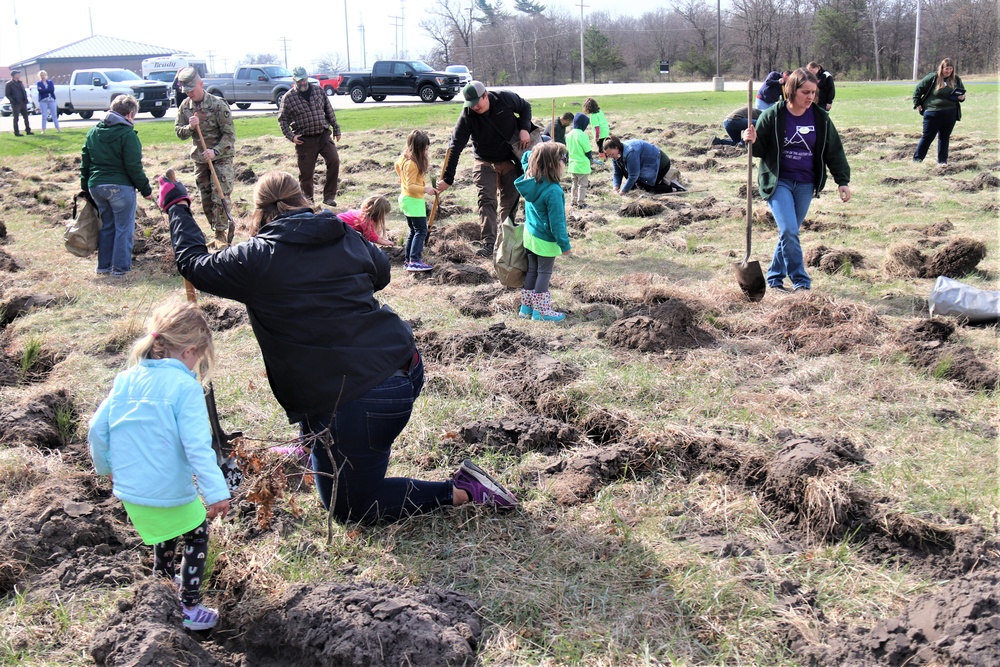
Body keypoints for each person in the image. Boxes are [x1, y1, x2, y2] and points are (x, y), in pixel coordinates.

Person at [161, 170, 518, 524]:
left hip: (362, 399)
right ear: (302, 199)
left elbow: (193, 263)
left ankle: (462, 490)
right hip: (404, 364)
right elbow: (381, 273)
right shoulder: (341, 231)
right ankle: (313, 447)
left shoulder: (257, 258)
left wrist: (178, 205)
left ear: (259, 212)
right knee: (324, 389)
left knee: (350, 508)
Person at [88, 301, 231, 631]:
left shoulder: (125, 379)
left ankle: (161, 594)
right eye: (199, 358)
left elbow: (97, 429)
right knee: (197, 534)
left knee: (166, 536)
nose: (197, 366)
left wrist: (105, 467)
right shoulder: (185, 388)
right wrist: (216, 492)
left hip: (131, 491)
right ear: (188, 351)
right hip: (168, 490)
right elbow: (198, 448)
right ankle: (189, 608)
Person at [743, 68, 851, 293]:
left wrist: (842, 180)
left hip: (805, 182)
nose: (811, 97)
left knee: (788, 233)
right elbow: (759, 148)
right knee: (790, 230)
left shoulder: (820, 118)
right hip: (778, 181)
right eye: (805, 92)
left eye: (813, 92)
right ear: (791, 90)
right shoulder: (773, 115)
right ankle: (801, 282)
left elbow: (834, 150)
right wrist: (750, 140)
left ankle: (774, 279)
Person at [438, 80, 534, 256]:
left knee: (510, 202)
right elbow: (455, 145)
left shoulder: (505, 99)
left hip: (510, 160)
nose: (474, 107)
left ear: (485, 96)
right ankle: (489, 243)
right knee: (487, 199)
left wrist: (524, 129)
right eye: (470, 104)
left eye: (477, 103)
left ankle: (506, 241)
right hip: (484, 161)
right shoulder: (467, 114)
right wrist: (447, 179)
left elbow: (525, 107)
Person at [81, 94, 155, 276]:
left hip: (96, 187)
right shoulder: (127, 135)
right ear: (130, 114)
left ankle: (104, 267)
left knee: (107, 226)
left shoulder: (92, 132)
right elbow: (133, 166)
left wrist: (85, 187)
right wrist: (146, 190)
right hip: (120, 188)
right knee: (124, 228)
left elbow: (85, 162)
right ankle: (121, 269)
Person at [174, 67, 236, 246]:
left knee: (220, 194)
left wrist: (215, 150)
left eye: (192, 89)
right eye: (186, 91)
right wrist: (190, 128)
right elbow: (179, 132)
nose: (190, 93)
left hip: (221, 156)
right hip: (201, 158)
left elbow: (229, 135)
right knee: (206, 197)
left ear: (201, 84)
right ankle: (215, 230)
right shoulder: (185, 107)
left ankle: (221, 232)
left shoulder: (217, 105)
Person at [515, 142, 571, 322]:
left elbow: (526, 157)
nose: (566, 162)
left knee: (532, 271)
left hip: (530, 235)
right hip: (545, 239)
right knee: (544, 273)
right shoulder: (553, 190)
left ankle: (526, 308)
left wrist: (541, 150)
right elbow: (557, 223)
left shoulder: (531, 180)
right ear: (553, 164)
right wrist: (565, 245)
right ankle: (541, 312)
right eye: (563, 159)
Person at [278, 67, 342, 207]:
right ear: (294, 80)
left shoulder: (318, 91)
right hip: (305, 140)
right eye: (299, 80)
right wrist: (291, 136)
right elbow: (282, 119)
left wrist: (336, 128)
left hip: (323, 135)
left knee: (334, 161)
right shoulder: (288, 97)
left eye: (304, 79)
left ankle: (329, 197)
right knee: (306, 174)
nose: (303, 82)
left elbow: (328, 110)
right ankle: (308, 202)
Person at [394, 129, 436, 272]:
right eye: (425, 149)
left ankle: (408, 260)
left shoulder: (404, 158)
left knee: (413, 230)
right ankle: (415, 261)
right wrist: (426, 189)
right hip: (413, 200)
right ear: (418, 148)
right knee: (421, 231)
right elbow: (410, 186)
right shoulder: (412, 164)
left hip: (407, 200)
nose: (426, 152)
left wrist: (401, 176)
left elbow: (396, 165)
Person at [912, 58, 966, 166]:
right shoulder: (932, 78)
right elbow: (918, 90)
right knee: (927, 137)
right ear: (942, 68)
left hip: (950, 112)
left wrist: (962, 97)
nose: (949, 71)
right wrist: (917, 104)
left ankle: (942, 162)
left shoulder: (956, 79)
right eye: (947, 69)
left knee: (944, 137)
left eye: (951, 69)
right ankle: (917, 160)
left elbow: (962, 94)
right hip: (933, 113)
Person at [604, 136, 685, 195]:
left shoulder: (630, 152)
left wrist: (623, 192)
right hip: (645, 165)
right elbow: (617, 173)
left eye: (611, 154)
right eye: (608, 155)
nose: (611, 157)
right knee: (634, 186)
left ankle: (674, 188)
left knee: (645, 188)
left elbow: (633, 176)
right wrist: (616, 188)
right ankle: (661, 180)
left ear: (617, 148)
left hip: (660, 162)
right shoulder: (615, 155)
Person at [565, 113, 594, 209]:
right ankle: (581, 203)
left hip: (572, 165)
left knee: (574, 184)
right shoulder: (582, 135)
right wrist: (591, 159)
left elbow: (568, 150)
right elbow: (587, 150)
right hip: (582, 165)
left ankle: (573, 201)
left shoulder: (569, 135)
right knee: (582, 185)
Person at [4, 70, 32, 136]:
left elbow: (24, 91)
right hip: (16, 103)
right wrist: (13, 101)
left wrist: (26, 99)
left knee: (26, 117)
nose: (19, 75)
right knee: (16, 118)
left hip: (23, 102)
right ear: (14, 75)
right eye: (18, 74)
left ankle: (28, 130)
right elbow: (7, 94)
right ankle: (16, 132)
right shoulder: (9, 84)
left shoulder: (20, 83)